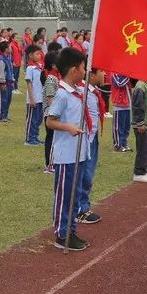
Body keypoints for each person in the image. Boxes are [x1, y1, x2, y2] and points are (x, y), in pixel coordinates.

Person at [45, 48, 90, 251]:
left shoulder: (78, 91)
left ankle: (71, 230)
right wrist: (68, 127)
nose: (85, 71)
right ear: (74, 70)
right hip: (66, 155)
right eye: (83, 67)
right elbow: (50, 122)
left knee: (75, 193)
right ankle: (62, 234)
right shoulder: (62, 95)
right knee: (65, 195)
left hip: (79, 152)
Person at [77, 67, 105, 224]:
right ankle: (80, 210)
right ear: (92, 75)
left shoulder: (93, 91)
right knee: (84, 174)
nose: (105, 74)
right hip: (85, 137)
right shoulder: (83, 90)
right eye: (101, 71)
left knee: (89, 173)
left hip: (92, 137)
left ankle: (84, 206)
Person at [130, 76, 147, 182]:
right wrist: (140, 123)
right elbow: (138, 106)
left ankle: (144, 170)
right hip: (142, 125)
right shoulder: (140, 86)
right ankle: (139, 172)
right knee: (143, 149)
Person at [41, 50, 60, 173]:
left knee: (54, 139)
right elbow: (50, 99)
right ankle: (50, 165)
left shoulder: (56, 76)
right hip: (51, 114)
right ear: (53, 65)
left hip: (54, 113)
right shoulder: (51, 78)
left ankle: (53, 163)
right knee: (52, 139)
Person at [23, 45, 44, 146]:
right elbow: (29, 83)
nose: (39, 55)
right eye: (37, 54)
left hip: (40, 98)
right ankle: (29, 139)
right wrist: (31, 98)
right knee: (32, 119)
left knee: (38, 119)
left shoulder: (40, 66)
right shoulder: (30, 68)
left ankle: (35, 137)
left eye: (40, 53)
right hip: (33, 99)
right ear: (31, 55)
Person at [110, 73, 132, 152]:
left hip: (127, 103)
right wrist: (129, 76)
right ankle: (117, 145)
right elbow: (120, 84)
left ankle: (124, 144)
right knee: (118, 127)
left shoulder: (125, 75)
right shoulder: (114, 74)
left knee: (126, 127)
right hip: (119, 104)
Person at [0, 41, 14, 122]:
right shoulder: (1, 60)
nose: (11, 48)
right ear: (5, 49)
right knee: (3, 99)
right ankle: (1, 116)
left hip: (9, 83)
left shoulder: (8, 58)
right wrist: (2, 83)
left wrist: (12, 80)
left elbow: (10, 70)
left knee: (8, 100)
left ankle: (6, 115)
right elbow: (1, 72)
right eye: (9, 47)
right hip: (4, 83)